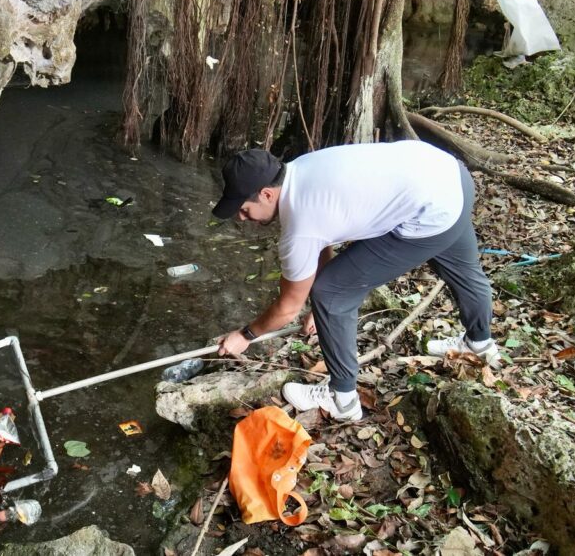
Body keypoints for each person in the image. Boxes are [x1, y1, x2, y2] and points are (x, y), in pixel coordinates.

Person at [213, 142, 497, 422]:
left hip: (430, 212)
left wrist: (245, 335)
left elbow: (288, 307)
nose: (241, 217)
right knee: (462, 266)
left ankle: (343, 399)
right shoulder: (301, 169)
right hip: (450, 177)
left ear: (265, 194)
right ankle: (479, 342)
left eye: (244, 209)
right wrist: (316, 308)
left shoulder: (299, 227)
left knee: (332, 292)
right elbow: (321, 238)